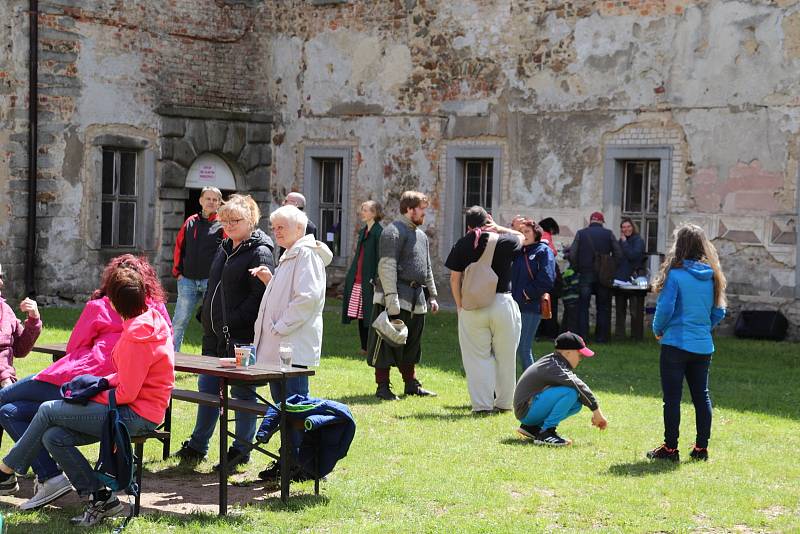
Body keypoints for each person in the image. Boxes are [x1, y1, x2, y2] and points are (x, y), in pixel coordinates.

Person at [0, 267, 175, 527]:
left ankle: (5, 470)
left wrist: (92, 397)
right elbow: (127, 378)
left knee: (48, 410)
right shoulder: (146, 320)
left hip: (137, 414)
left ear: (114, 302)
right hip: (131, 406)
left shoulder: (137, 335)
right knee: (53, 436)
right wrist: (99, 383)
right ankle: (101, 498)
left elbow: (128, 393)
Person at [175, 194, 275, 469]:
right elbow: (215, 287)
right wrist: (205, 315)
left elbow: (260, 298)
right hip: (215, 335)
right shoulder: (225, 246)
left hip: (242, 337)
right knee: (207, 388)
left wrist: (232, 319)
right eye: (224, 220)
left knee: (243, 394)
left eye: (234, 220)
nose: (228, 225)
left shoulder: (260, 251)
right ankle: (198, 445)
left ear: (251, 220)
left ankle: (241, 450)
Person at [647, 224, 727, 462]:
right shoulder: (712, 275)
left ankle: (670, 449)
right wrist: (704, 327)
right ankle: (701, 448)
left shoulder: (676, 275)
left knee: (672, 398)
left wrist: (657, 329)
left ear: (679, 245)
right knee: (701, 396)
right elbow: (719, 311)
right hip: (702, 345)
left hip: (675, 344)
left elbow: (665, 308)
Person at [251, 204, 333, 400]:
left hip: (291, 347)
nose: (276, 232)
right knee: (281, 407)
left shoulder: (306, 254)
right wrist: (270, 281)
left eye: (281, 227)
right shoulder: (291, 253)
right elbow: (289, 293)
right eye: (274, 227)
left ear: (298, 228)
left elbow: (307, 298)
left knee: (294, 407)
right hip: (281, 345)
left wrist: (280, 327)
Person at [446, 207, 523, 413]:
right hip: (502, 303)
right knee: (506, 357)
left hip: (473, 305)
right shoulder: (505, 241)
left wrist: (460, 305)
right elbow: (522, 236)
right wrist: (499, 227)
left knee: (477, 358)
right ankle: (505, 403)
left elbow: (455, 278)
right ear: (488, 220)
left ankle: (482, 405)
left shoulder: (462, 244)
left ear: (468, 225)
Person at [367, 190, 439, 401]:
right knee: (386, 343)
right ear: (409, 209)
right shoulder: (393, 232)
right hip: (394, 297)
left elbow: (426, 269)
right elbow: (386, 266)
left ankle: (410, 384)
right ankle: (382, 387)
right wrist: (391, 298)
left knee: (411, 344)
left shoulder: (421, 235)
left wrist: (432, 295)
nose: (425, 214)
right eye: (422, 210)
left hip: (416, 299)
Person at [513, 332, 608, 446]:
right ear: (568, 353)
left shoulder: (554, 362)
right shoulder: (554, 365)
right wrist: (597, 412)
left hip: (527, 410)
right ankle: (546, 433)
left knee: (576, 403)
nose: (580, 359)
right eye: (579, 355)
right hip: (526, 410)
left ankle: (532, 428)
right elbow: (578, 385)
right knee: (570, 392)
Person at [171, 186, 224, 352]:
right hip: (187, 280)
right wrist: (177, 273)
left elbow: (226, 253)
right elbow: (180, 246)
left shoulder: (223, 225)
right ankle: (170, 361)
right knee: (179, 322)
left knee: (210, 322)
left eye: (215, 200)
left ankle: (208, 361)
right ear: (201, 201)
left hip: (211, 281)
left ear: (219, 203)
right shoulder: (190, 221)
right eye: (208, 198)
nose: (211, 202)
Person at [567, 211, 622, 343]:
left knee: (583, 306)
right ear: (602, 222)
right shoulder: (608, 234)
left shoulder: (581, 233)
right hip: (603, 276)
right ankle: (601, 338)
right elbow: (618, 253)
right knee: (603, 306)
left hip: (585, 274)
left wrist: (576, 268)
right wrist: (611, 268)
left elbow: (573, 254)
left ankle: (583, 337)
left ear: (590, 221)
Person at [510, 218, 555, 372]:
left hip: (530, 306)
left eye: (527, 231)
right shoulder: (518, 251)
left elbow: (547, 279)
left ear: (536, 233)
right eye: (521, 232)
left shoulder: (543, 251)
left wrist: (527, 293)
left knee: (523, 347)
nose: (524, 235)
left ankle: (532, 387)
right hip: (513, 306)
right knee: (512, 347)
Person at [341, 200, 384, 354]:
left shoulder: (379, 233)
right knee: (361, 314)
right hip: (358, 279)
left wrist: (376, 278)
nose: (362, 212)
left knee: (370, 313)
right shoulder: (363, 231)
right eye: (362, 209)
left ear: (374, 213)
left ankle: (373, 346)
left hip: (370, 280)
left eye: (365, 210)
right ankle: (364, 347)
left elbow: (381, 258)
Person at [0, 263, 42, 389]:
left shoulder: (5, 309)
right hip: (4, 381)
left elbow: (20, 349)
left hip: (6, 384)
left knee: (38, 387)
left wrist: (34, 318)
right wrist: (3, 375)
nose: (1, 283)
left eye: (1, 277)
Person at [537, 217, 562, 339]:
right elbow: (551, 252)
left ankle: (540, 332)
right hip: (548, 274)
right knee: (550, 305)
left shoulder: (539, 235)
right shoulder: (546, 235)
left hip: (539, 274)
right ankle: (549, 332)